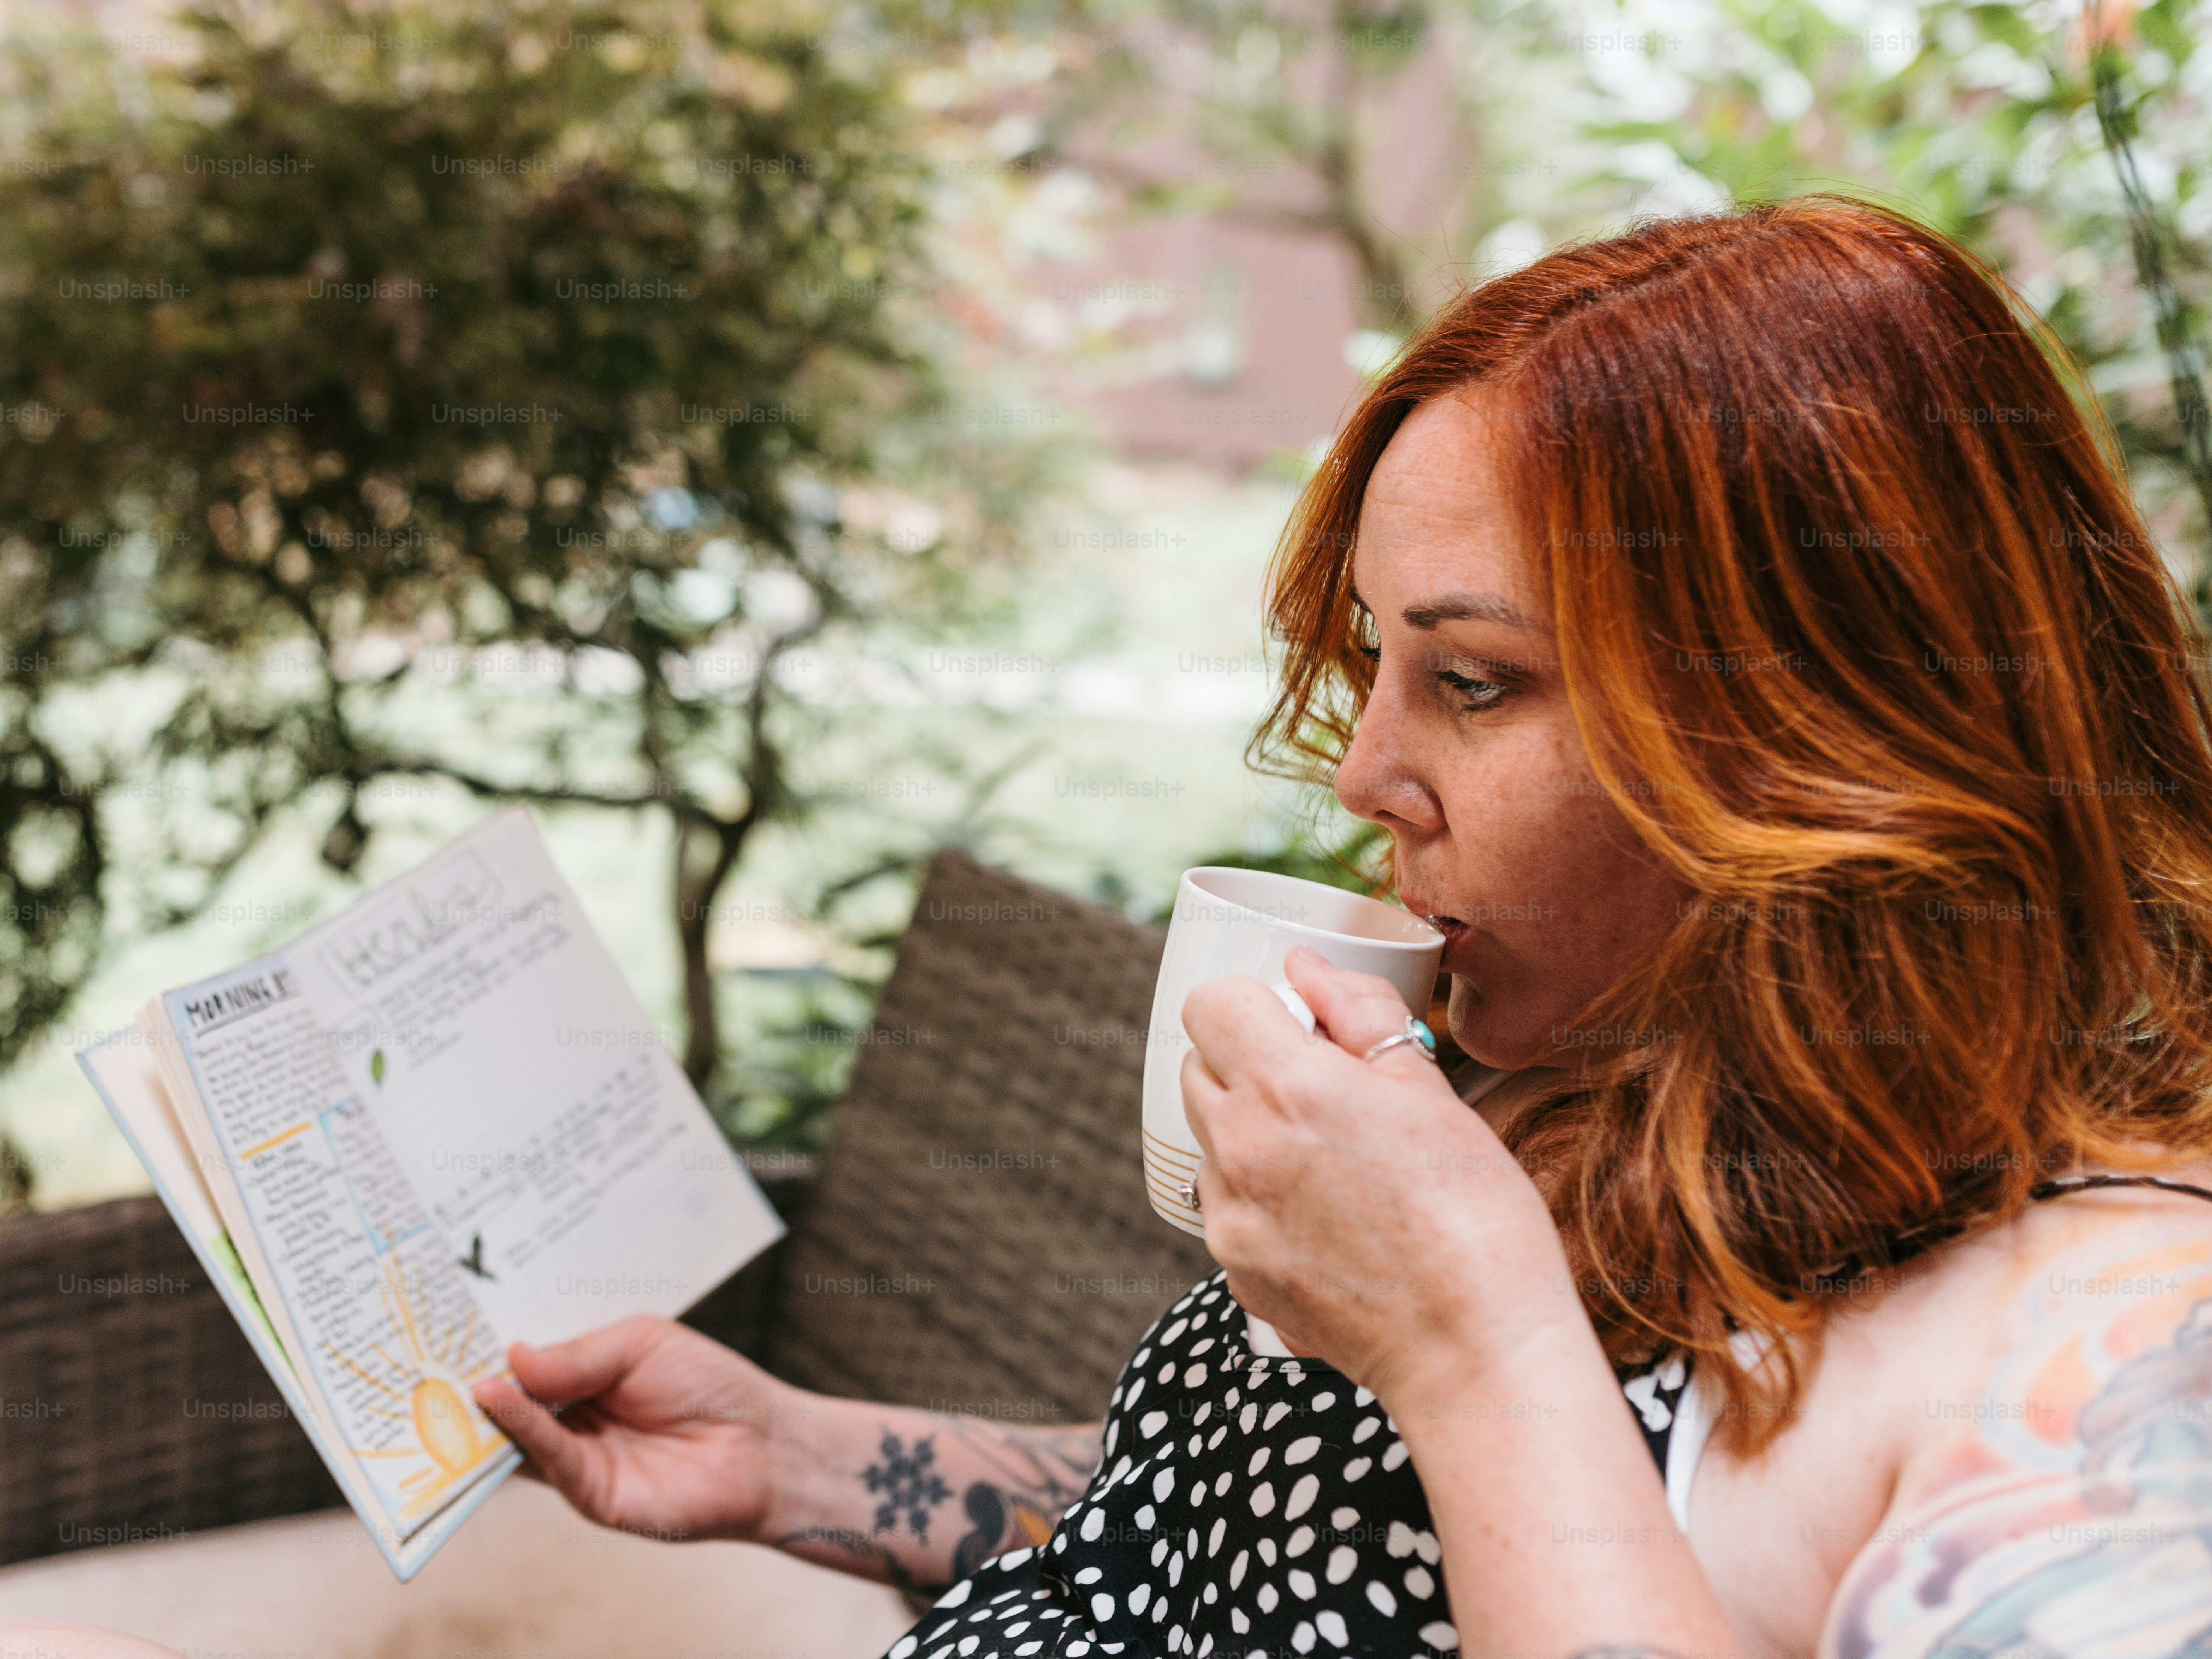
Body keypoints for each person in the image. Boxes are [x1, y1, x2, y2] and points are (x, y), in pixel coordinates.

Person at [16, 193, 2212, 1659]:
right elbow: (1252, 1544)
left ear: (1834, 722)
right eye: (1368, 668)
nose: (1361, 775)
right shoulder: (1605, 1080)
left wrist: (1467, 1333)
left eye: (1471, 676)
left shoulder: (2109, 1353)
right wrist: (806, 1462)